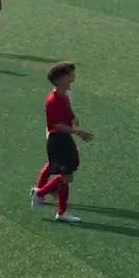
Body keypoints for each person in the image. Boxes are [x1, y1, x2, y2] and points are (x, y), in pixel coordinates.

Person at [29, 62, 93, 223]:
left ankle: (61, 211)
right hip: (58, 140)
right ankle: (41, 193)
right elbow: (56, 125)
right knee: (67, 176)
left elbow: (67, 111)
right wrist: (78, 131)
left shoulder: (63, 95)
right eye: (70, 76)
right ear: (59, 79)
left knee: (67, 174)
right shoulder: (53, 100)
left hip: (64, 139)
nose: (73, 79)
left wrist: (73, 117)